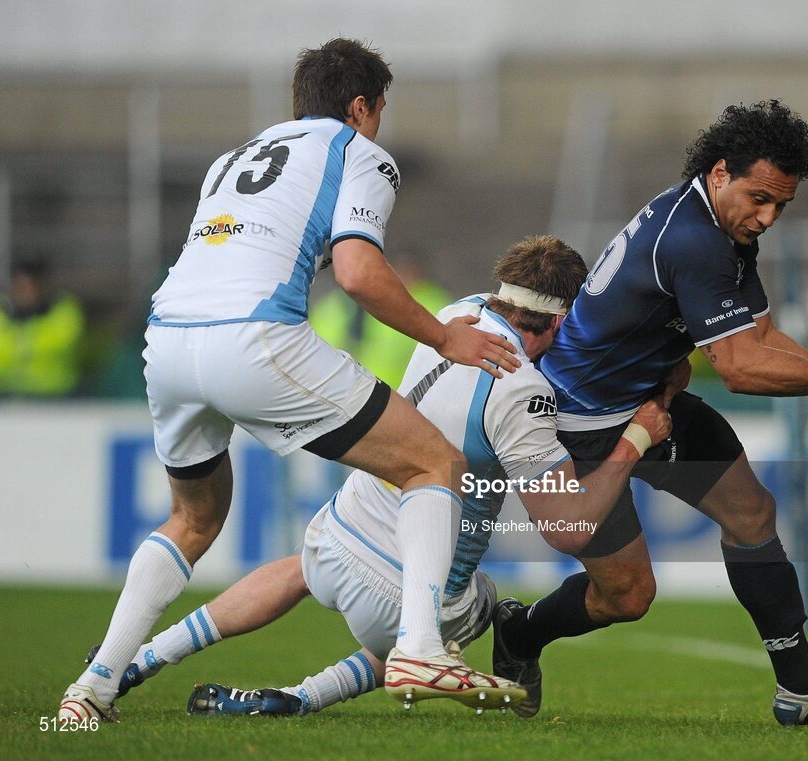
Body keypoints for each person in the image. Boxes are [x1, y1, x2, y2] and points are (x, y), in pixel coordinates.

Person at [59, 38, 523, 723]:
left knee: (193, 516)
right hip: (254, 335)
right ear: (361, 107)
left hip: (169, 340)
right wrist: (446, 335)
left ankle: (92, 687)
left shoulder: (233, 158)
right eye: (380, 112)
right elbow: (359, 273)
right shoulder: (358, 151)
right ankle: (422, 646)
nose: (379, 127)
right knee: (436, 462)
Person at [84, 235, 672, 716]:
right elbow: (568, 528)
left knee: (295, 570)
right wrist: (637, 437)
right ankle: (298, 697)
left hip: (341, 535)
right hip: (414, 589)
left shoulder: (454, 313)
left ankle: (144, 657)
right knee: (480, 606)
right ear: (562, 318)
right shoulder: (524, 391)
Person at [492, 100, 808, 728]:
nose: (769, 217)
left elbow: (762, 338)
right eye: (760, 198)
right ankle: (521, 632)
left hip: (653, 402)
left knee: (752, 512)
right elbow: (741, 368)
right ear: (721, 171)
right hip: (581, 424)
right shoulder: (694, 239)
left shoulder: (723, 225)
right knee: (628, 597)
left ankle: (800, 689)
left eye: (782, 205)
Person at [310, 253, 452, 389]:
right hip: (361, 389)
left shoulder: (434, 302)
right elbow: (317, 337)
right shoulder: (349, 301)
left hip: (404, 393)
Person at [0, 260, 85, 396]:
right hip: (4, 394)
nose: (28, 292)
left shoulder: (63, 309)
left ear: (45, 286)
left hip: (56, 396)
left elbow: (61, 343)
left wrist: (16, 344)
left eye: (34, 286)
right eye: (22, 286)